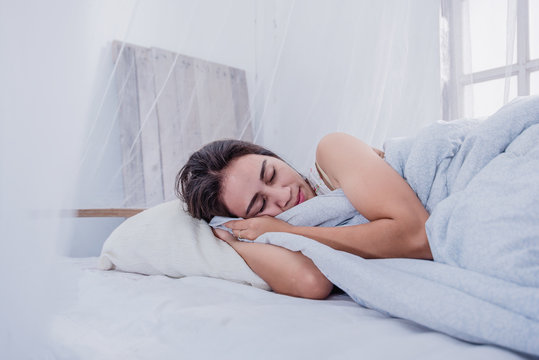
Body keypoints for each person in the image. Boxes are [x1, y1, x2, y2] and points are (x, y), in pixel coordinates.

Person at [176, 133, 431, 299]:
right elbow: (310, 282)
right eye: (260, 204)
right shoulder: (271, 234)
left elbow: (418, 235)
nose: (283, 194)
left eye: (272, 174)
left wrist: (286, 232)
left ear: (275, 158)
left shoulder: (332, 151)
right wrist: (232, 244)